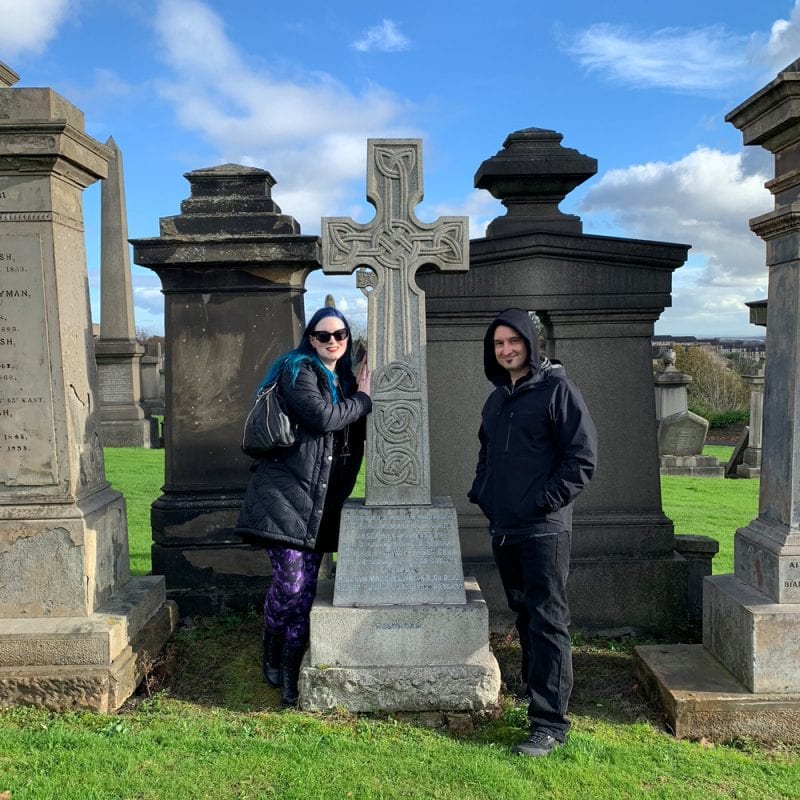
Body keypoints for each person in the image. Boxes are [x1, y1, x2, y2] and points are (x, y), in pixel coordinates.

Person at [468, 308, 597, 757]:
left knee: (547, 620)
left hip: (544, 528)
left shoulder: (557, 391)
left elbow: (581, 460)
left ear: (530, 342)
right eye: (499, 344)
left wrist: (541, 502)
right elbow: (487, 453)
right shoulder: (497, 399)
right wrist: (482, 491)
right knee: (523, 613)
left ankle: (550, 724)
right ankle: (536, 690)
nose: (506, 350)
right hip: (505, 526)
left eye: (513, 342)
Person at [235, 307, 371, 707]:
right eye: (323, 335)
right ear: (310, 339)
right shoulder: (299, 371)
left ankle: (292, 673)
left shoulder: (343, 379)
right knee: (291, 586)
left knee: (306, 591)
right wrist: (364, 398)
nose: (332, 342)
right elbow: (324, 417)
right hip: (286, 496)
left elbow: (351, 436)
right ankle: (271, 647)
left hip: (321, 503)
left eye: (340, 334)